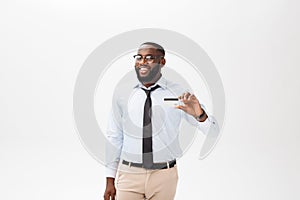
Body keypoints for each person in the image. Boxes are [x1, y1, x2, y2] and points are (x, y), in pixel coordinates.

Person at [103, 42, 218, 200]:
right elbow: (114, 137)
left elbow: (212, 132)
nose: (143, 62)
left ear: (162, 62)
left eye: (149, 58)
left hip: (164, 177)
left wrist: (200, 114)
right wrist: (110, 179)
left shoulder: (178, 93)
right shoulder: (123, 93)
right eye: (139, 57)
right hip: (129, 174)